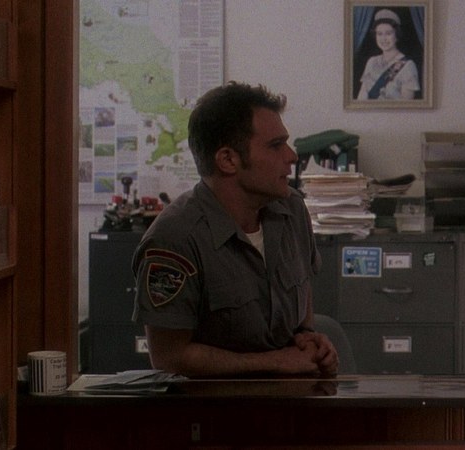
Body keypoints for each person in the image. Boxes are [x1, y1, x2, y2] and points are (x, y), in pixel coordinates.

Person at [131, 81, 339, 378]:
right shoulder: (175, 238)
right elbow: (169, 357)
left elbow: (302, 287)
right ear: (228, 160)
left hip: (292, 397)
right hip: (218, 403)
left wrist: (306, 336)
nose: (292, 156)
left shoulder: (291, 209)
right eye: (276, 145)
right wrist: (274, 362)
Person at [357, 8, 420, 100]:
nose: (384, 39)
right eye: (379, 34)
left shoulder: (408, 66)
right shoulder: (371, 62)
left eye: (388, 33)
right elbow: (362, 95)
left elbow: (407, 105)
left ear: (397, 35)